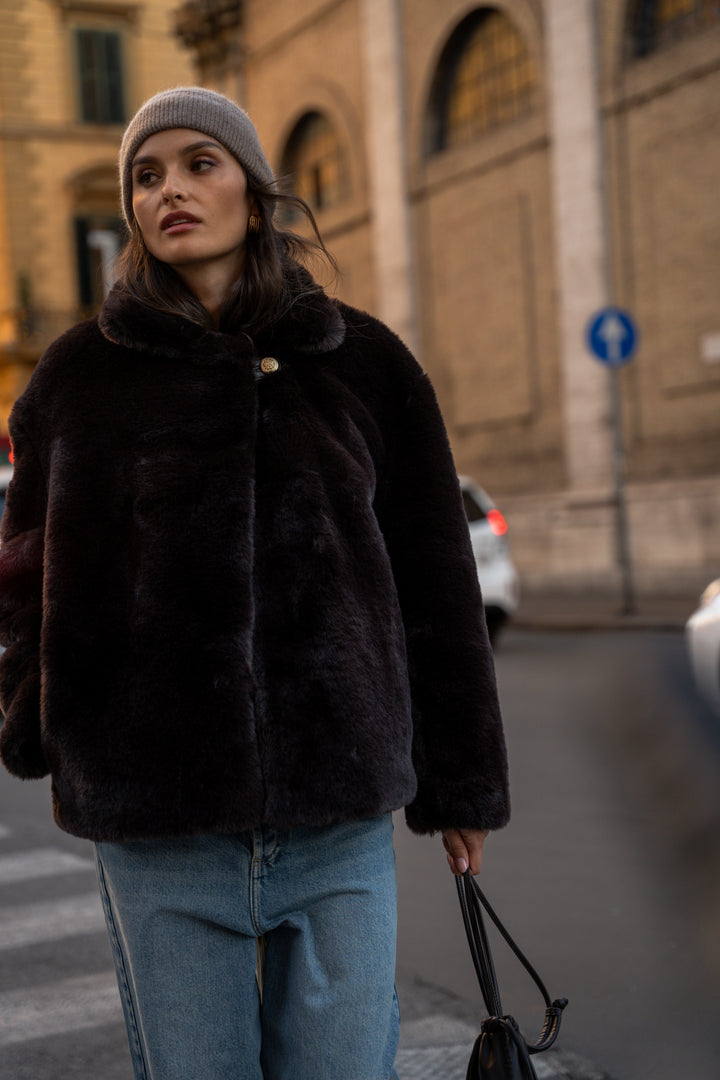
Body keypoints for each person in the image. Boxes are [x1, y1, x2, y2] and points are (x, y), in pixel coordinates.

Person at [0, 87, 510, 1080]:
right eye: (147, 176)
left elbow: (437, 585)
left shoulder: (364, 363)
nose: (170, 191)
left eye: (201, 164)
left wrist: (462, 782)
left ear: (254, 191)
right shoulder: (78, 379)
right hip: (159, 824)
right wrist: (38, 719)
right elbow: (23, 574)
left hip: (336, 815)